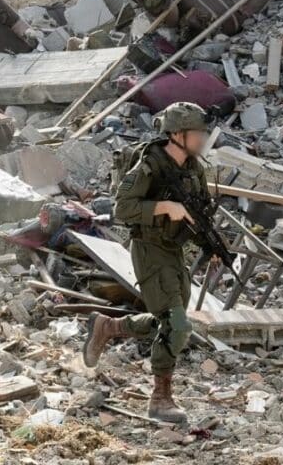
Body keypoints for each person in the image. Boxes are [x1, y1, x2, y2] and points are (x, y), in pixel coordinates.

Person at [82, 102, 213, 423]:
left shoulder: (194, 168)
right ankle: (160, 399)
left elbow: (199, 213)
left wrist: (210, 247)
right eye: (197, 132)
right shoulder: (149, 165)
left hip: (174, 250)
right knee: (178, 325)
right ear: (178, 133)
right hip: (149, 250)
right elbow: (123, 208)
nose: (202, 138)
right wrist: (163, 206)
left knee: (172, 323)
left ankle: (108, 327)